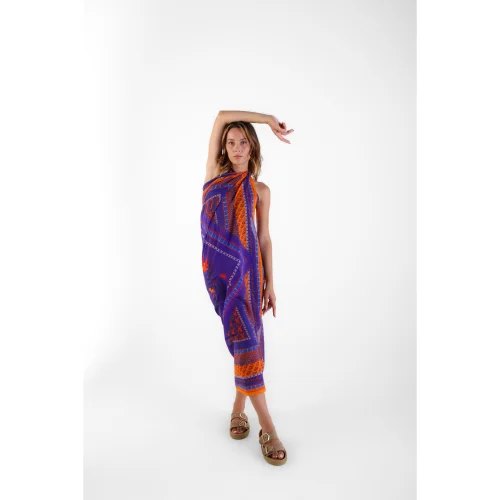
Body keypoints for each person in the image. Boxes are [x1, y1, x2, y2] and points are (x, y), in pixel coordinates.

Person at [201, 110, 294, 465]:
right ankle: (263, 423)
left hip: (250, 277)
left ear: (252, 148)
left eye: (243, 142)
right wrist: (267, 119)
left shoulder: (260, 190)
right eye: (231, 142)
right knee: (246, 342)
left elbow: (264, 237)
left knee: (247, 343)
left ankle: (245, 413)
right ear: (224, 148)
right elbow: (221, 116)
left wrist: (271, 283)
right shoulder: (214, 174)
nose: (237, 148)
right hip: (221, 274)